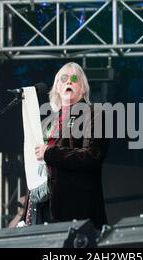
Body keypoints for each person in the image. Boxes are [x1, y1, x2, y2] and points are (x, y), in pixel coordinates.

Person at [30, 62, 109, 230]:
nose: (68, 82)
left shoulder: (96, 113)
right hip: (46, 207)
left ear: (83, 88)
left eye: (74, 79)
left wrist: (50, 153)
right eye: (63, 79)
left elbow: (92, 155)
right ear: (57, 87)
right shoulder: (49, 123)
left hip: (77, 208)